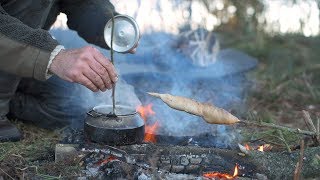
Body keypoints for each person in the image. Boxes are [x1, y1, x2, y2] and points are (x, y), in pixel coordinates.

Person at [0, 0, 136, 142]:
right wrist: (54, 57)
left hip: (19, 57)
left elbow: (79, 4)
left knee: (71, 102)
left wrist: (107, 24)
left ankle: (9, 100)